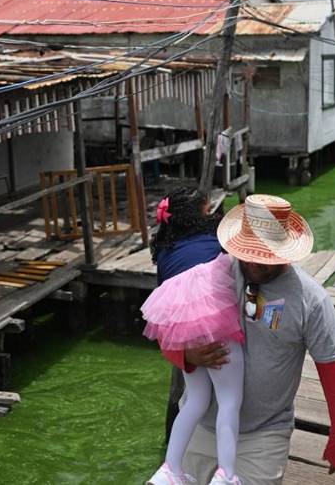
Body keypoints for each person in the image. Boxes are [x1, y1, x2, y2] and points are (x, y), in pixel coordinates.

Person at [164, 194, 335, 484]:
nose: (255, 262)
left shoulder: (312, 300)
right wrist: (186, 356)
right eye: (249, 253)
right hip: (201, 427)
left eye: (264, 255)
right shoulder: (211, 275)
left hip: (264, 434)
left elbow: (333, 367)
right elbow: (167, 333)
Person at [143, 251, 244, 485]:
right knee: (229, 402)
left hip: (184, 323)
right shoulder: (222, 250)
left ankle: (171, 469)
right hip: (217, 321)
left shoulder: (171, 251)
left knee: (195, 401)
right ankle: (226, 475)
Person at [148, 188, 225, 473]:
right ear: (199, 215)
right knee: (224, 402)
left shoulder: (165, 252)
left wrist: (183, 354)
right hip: (219, 333)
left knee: (189, 402)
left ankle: (170, 463)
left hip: (182, 339)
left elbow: (163, 307)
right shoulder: (216, 240)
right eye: (209, 210)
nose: (215, 214)